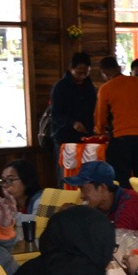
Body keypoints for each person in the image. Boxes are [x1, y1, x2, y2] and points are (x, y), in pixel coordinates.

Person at [94, 56, 138, 187]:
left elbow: (100, 117)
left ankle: (125, 200)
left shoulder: (106, 88)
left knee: (121, 181)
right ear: (118, 68)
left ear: (104, 73)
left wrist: (99, 131)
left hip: (120, 138)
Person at [67, 161, 138, 238]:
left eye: (84, 189)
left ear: (103, 188)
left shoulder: (130, 199)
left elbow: (117, 238)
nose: (81, 196)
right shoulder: (95, 207)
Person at [50, 53, 97, 182]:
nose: (82, 76)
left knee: (86, 178)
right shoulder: (60, 87)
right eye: (79, 72)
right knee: (66, 176)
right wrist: (73, 123)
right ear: (71, 68)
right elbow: (55, 115)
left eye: (86, 73)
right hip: (65, 139)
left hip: (85, 139)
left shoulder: (89, 87)